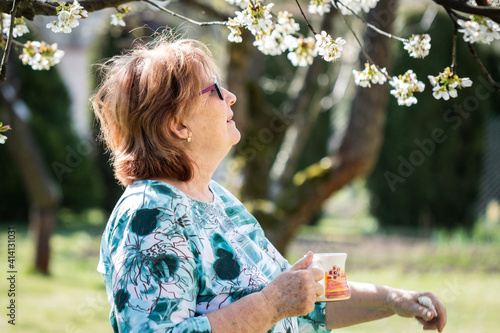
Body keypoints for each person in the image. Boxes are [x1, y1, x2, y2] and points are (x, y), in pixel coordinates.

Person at [92, 36, 447, 333]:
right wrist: (268, 305)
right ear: (177, 125)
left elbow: (305, 304)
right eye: (214, 89)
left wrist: (392, 299)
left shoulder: (219, 201)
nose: (229, 96)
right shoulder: (150, 213)